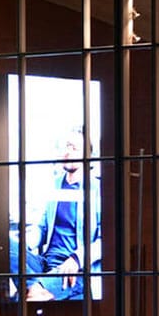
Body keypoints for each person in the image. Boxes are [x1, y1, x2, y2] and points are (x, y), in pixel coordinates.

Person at [22, 128, 101, 302]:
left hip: (73, 269)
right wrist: (24, 244)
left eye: (74, 148)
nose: (67, 152)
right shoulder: (55, 185)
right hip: (45, 264)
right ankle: (37, 285)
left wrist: (77, 258)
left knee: (33, 298)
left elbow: (106, 240)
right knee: (6, 246)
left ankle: (37, 288)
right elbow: (42, 228)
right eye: (66, 146)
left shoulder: (97, 189)